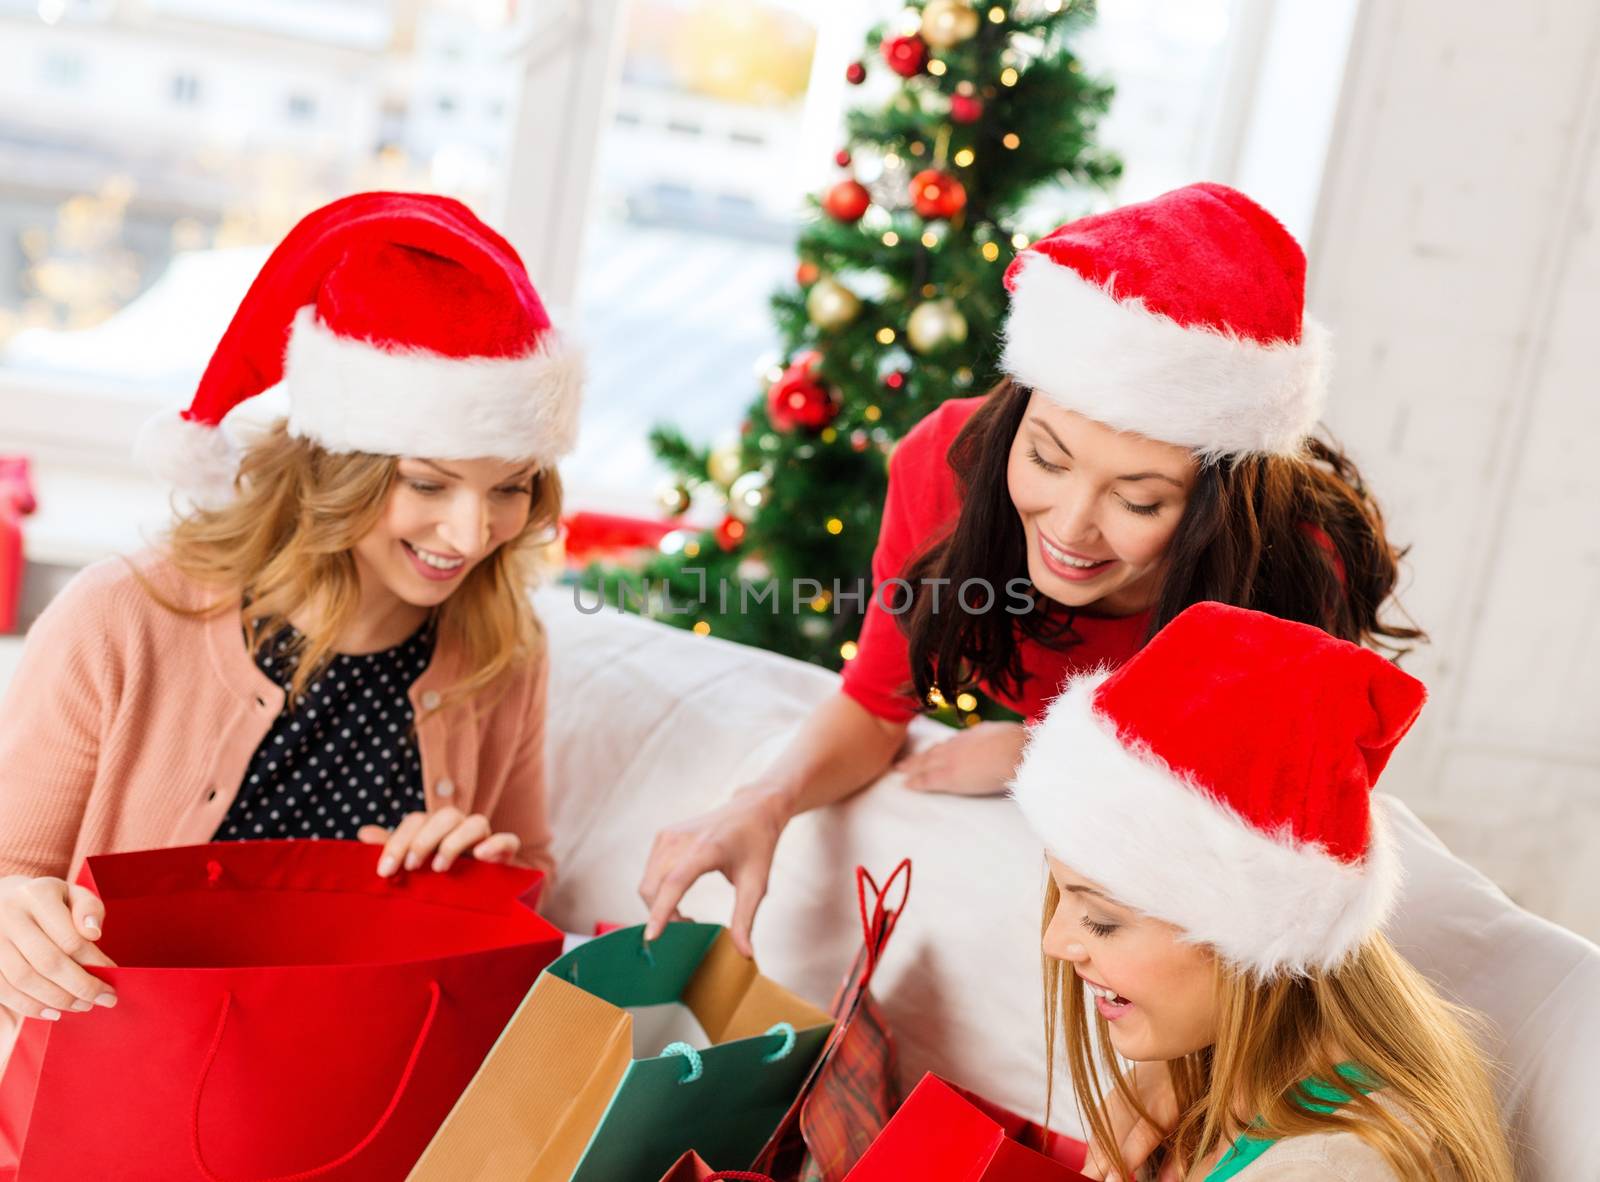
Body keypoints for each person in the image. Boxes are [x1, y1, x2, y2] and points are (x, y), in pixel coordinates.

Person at [639, 182, 1420, 955]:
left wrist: (1045, 751)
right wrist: (763, 803)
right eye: (1046, 458)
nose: (1072, 528)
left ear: (1214, 510)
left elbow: (1245, 839)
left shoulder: (1293, 569)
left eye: (1140, 502)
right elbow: (877, 706)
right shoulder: (945, 469)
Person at [0, 192, 582, 1060]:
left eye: (510, 487)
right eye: (427, 484)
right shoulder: (120, 621)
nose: (471, 535)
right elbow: (12, 872)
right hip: (123, 1083)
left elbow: (529, 895)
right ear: (331, 468)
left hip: (365, 1088)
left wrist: (476, 881)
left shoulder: (502, 652)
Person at [1013, 601, 1513, 1181]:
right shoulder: (1207, 1069)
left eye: (1102, 919)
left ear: (1244, 934)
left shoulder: (1332, 1169)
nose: (1055, 941)